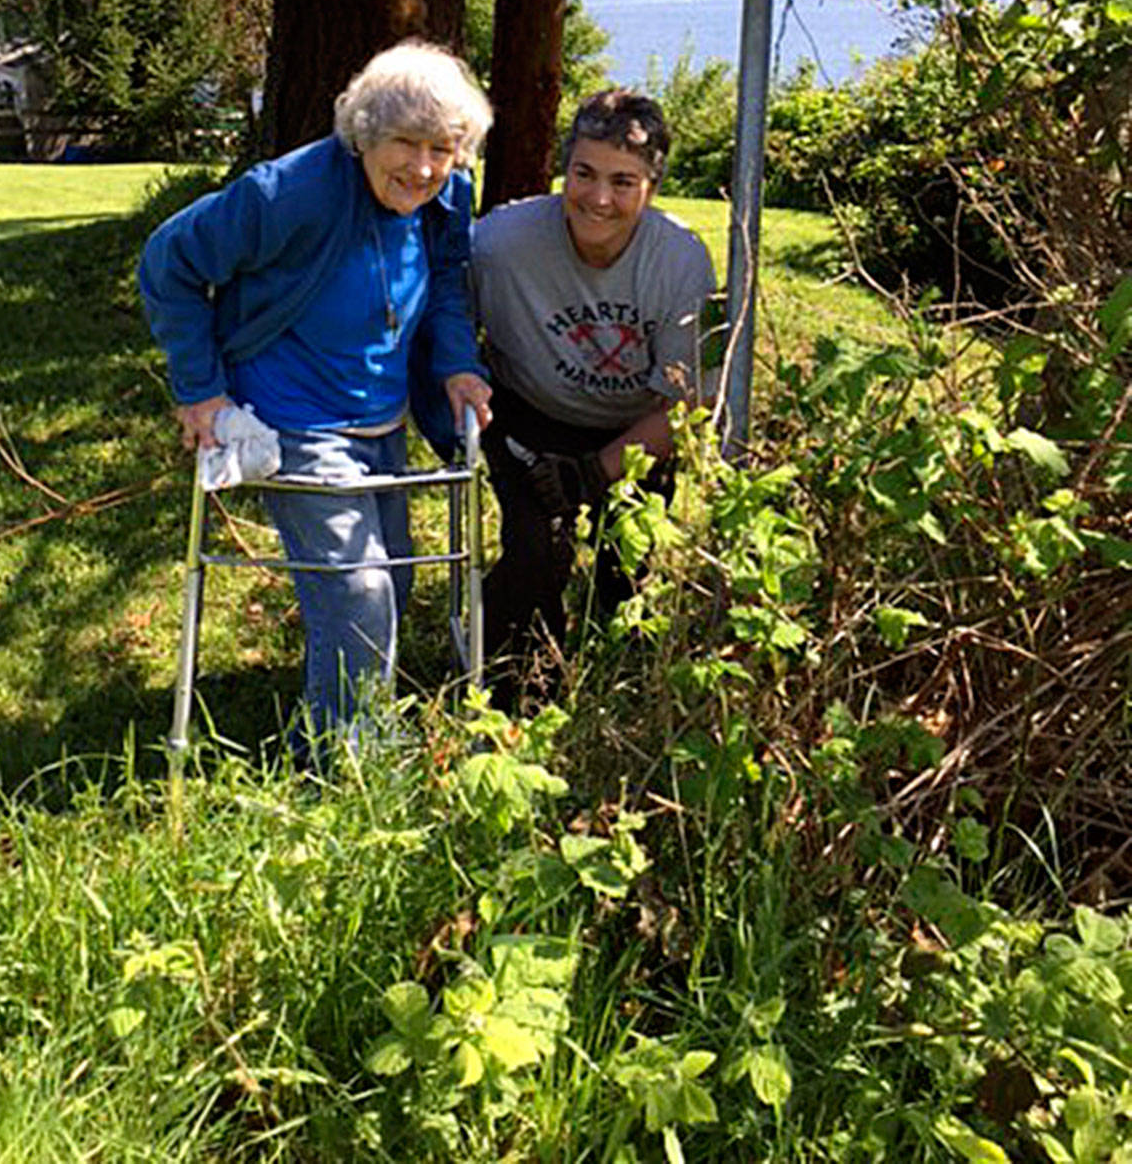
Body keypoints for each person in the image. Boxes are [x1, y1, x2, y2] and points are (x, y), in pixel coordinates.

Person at [139, 41, 493, 749]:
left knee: (392, 577)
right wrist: (201, 391)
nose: (423, 167)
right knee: (359, 590)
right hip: (292, 419)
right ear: (365, 132)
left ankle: (344, 713)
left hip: (380, 417)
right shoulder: (287, 192)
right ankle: (346, 763)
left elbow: (448, 282)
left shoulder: (445, 195)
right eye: (406, 143)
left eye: (441, 149)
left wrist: (455, 364)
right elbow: (168, 262)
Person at [471, 88, 716, 692]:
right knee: (537, 555)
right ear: (564, 169)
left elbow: (688, 401)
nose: (598, 199)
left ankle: (625, 690)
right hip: (530, 416)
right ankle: (509, 688)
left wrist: (594, 472)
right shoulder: (499, 244)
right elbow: (445, 326)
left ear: (651, 188)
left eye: (623, 182)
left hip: (635, 431)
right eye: (583, 174)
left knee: (625, 576)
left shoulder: (683, 262)